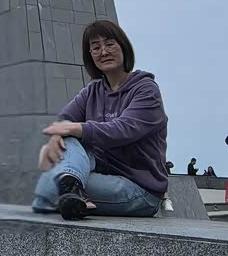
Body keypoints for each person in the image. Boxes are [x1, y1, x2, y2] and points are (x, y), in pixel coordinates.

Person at [32, 19, 168, 221]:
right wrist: (57, 136)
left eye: (110, 44)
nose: (103, 52)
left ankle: (65, 191)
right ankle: (71, 189)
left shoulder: (146, 90)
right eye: (96, 48)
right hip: (100, 176)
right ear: (90, 56)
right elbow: (64, 120)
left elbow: (122, 129)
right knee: (66, 138)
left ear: (123, 47)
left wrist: (73, 129)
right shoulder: (92, 91)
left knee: (48, 185)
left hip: (140, 190)